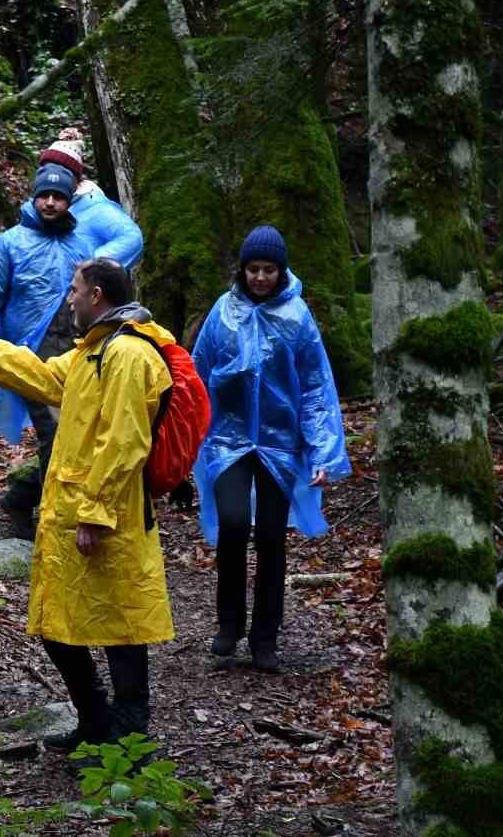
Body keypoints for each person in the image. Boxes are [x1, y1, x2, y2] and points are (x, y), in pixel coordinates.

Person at [0, 258, 175, 749]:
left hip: (109, 514)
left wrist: (95, 512)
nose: (69, 299)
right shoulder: (95, 352)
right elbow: (43, 377)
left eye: (74, 290)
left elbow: (123, 442)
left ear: (96, 295)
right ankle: (95, 720)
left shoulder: (129, 356)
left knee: (121, 628)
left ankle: (131, 740)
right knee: (58, 624)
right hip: (74, 511)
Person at [191, 225, 350, 673]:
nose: (261, 277)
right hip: (228, 441)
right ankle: (228, 624)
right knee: (235, 524)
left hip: (281, 445)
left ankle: (265, 638)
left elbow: (316, 388)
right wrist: (186, 436)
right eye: (253, 269)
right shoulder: (223, 312)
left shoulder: (298, 317)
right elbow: (198, 374)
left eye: (269, 270)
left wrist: (322, 453)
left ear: (281, 272)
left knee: (272, 539)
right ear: (242, 270)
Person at [0, 164, 93, 535]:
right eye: (45, 195)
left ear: (69, 202)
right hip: (30, 358)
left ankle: (26, 495)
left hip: (74, 354)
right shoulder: (9, 243)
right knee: (55, 435)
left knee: (76, 436)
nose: (50, 203)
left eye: (59, 197)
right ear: (33, 196)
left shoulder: (81, 246)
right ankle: (39, 509)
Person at [35, 129, 143, 267]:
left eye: (61, 171)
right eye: (47, 168)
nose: (54, 175)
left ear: (75, 178)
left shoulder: (96, 207)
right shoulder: (43, 205)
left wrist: (88, 267)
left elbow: (131, 239)